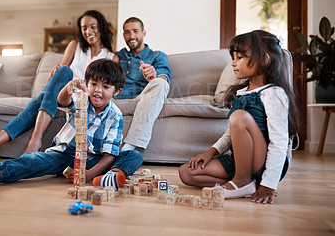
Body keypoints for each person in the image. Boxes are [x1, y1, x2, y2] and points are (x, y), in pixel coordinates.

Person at [0, 59, 143, 190]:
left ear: (117, 91)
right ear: (87, 83)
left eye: (106, 87)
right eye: (93, 85)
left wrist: (90, 173)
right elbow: (63, 102)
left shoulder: (115, 116)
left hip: (92, 161)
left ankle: (111, 177)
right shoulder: (82, 100)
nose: (98, 91)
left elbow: (109, 154)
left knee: (132, 155)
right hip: (63, 155)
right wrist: (67, 89)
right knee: (32, 161)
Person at [0, 10, 118, 164]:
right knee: (63, 70)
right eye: (84, 27)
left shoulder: (112, 57)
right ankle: (31, 140)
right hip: (64, 94)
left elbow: (107, 88)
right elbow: (61, 75)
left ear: (101, 27)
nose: (88, 31)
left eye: (93, 26)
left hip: (83, 100)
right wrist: (58, 71)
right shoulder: (74, 46)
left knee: (41, 98)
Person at [178, 30, 299, 204]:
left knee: (239, 117)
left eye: (239, 58)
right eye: (233, 57)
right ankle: (247, 185)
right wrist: (211, 152)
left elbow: (279, 142)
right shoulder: (242, 92)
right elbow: (231, 133)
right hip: (239, 161)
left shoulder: (274, 93)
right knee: (186, 173)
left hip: (263, 162)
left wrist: (269, 184)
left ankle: (242, 181)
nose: (233, 64)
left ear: (264, 59)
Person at [114, 17, 171, 151]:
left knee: (160, 84)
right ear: (123, 35)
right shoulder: (119, 56)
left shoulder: (157, 56)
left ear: (143, 33)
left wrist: (154, 76)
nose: (131, 36)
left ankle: (130, 145)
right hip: (115, 97)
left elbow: (164, 78)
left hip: (143, 98)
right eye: (127, 32)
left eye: (135, 31)